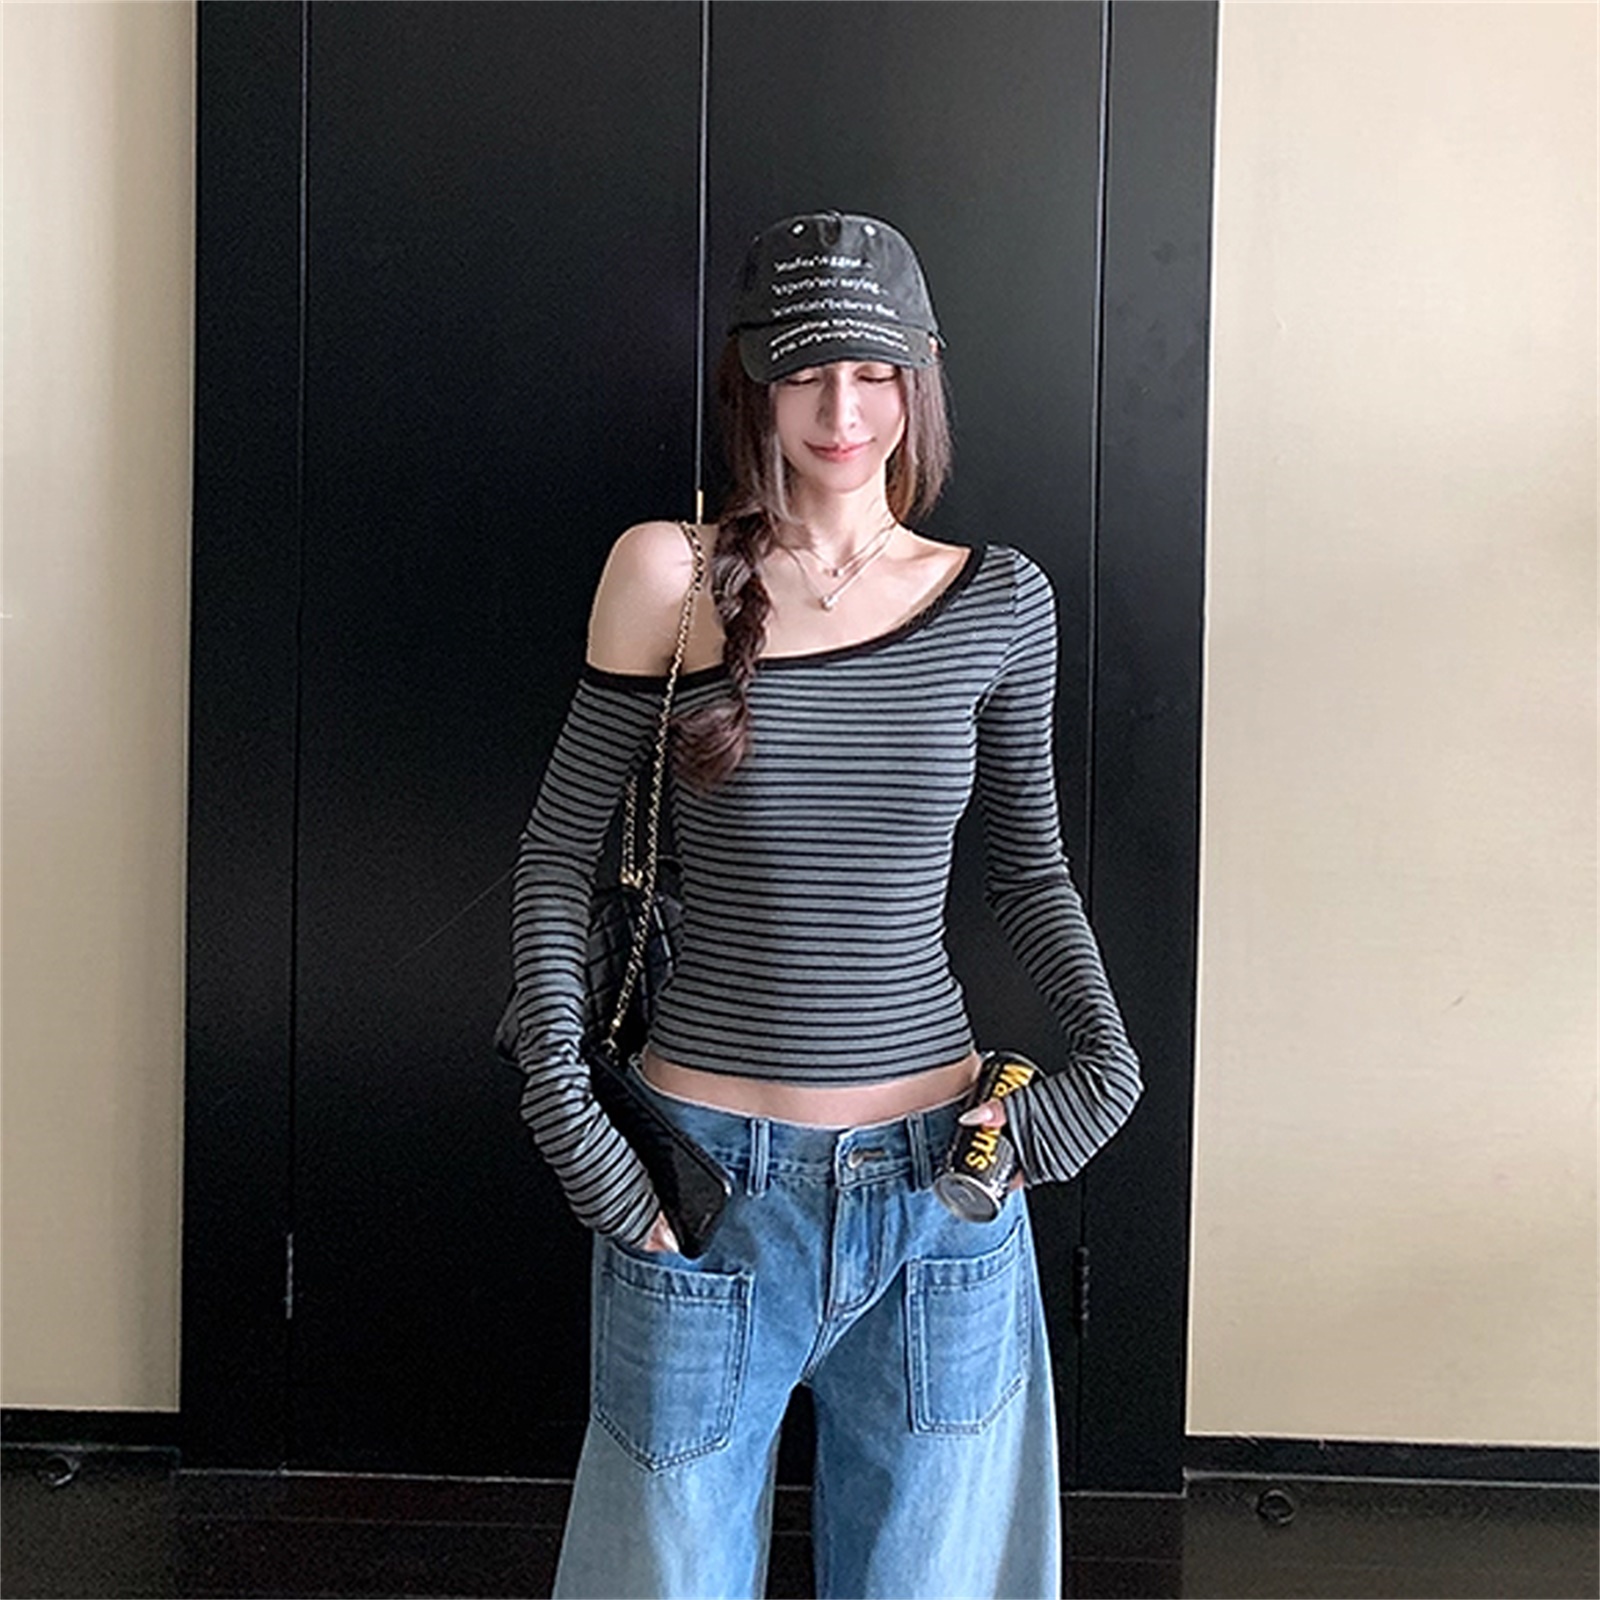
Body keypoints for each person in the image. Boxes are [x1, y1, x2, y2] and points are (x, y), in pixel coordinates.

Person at [510, 210, 1143, 1600]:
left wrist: (1108, 1066)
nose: (841, 412)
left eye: (872, 371)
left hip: (942, 1195)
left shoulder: (1000, 601)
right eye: (805, 372)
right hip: (701, 1190)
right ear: (753, 380)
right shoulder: (669, 574)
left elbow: (1028, 871)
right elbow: (557, 856)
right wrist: (569, 1115)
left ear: (919, 377)